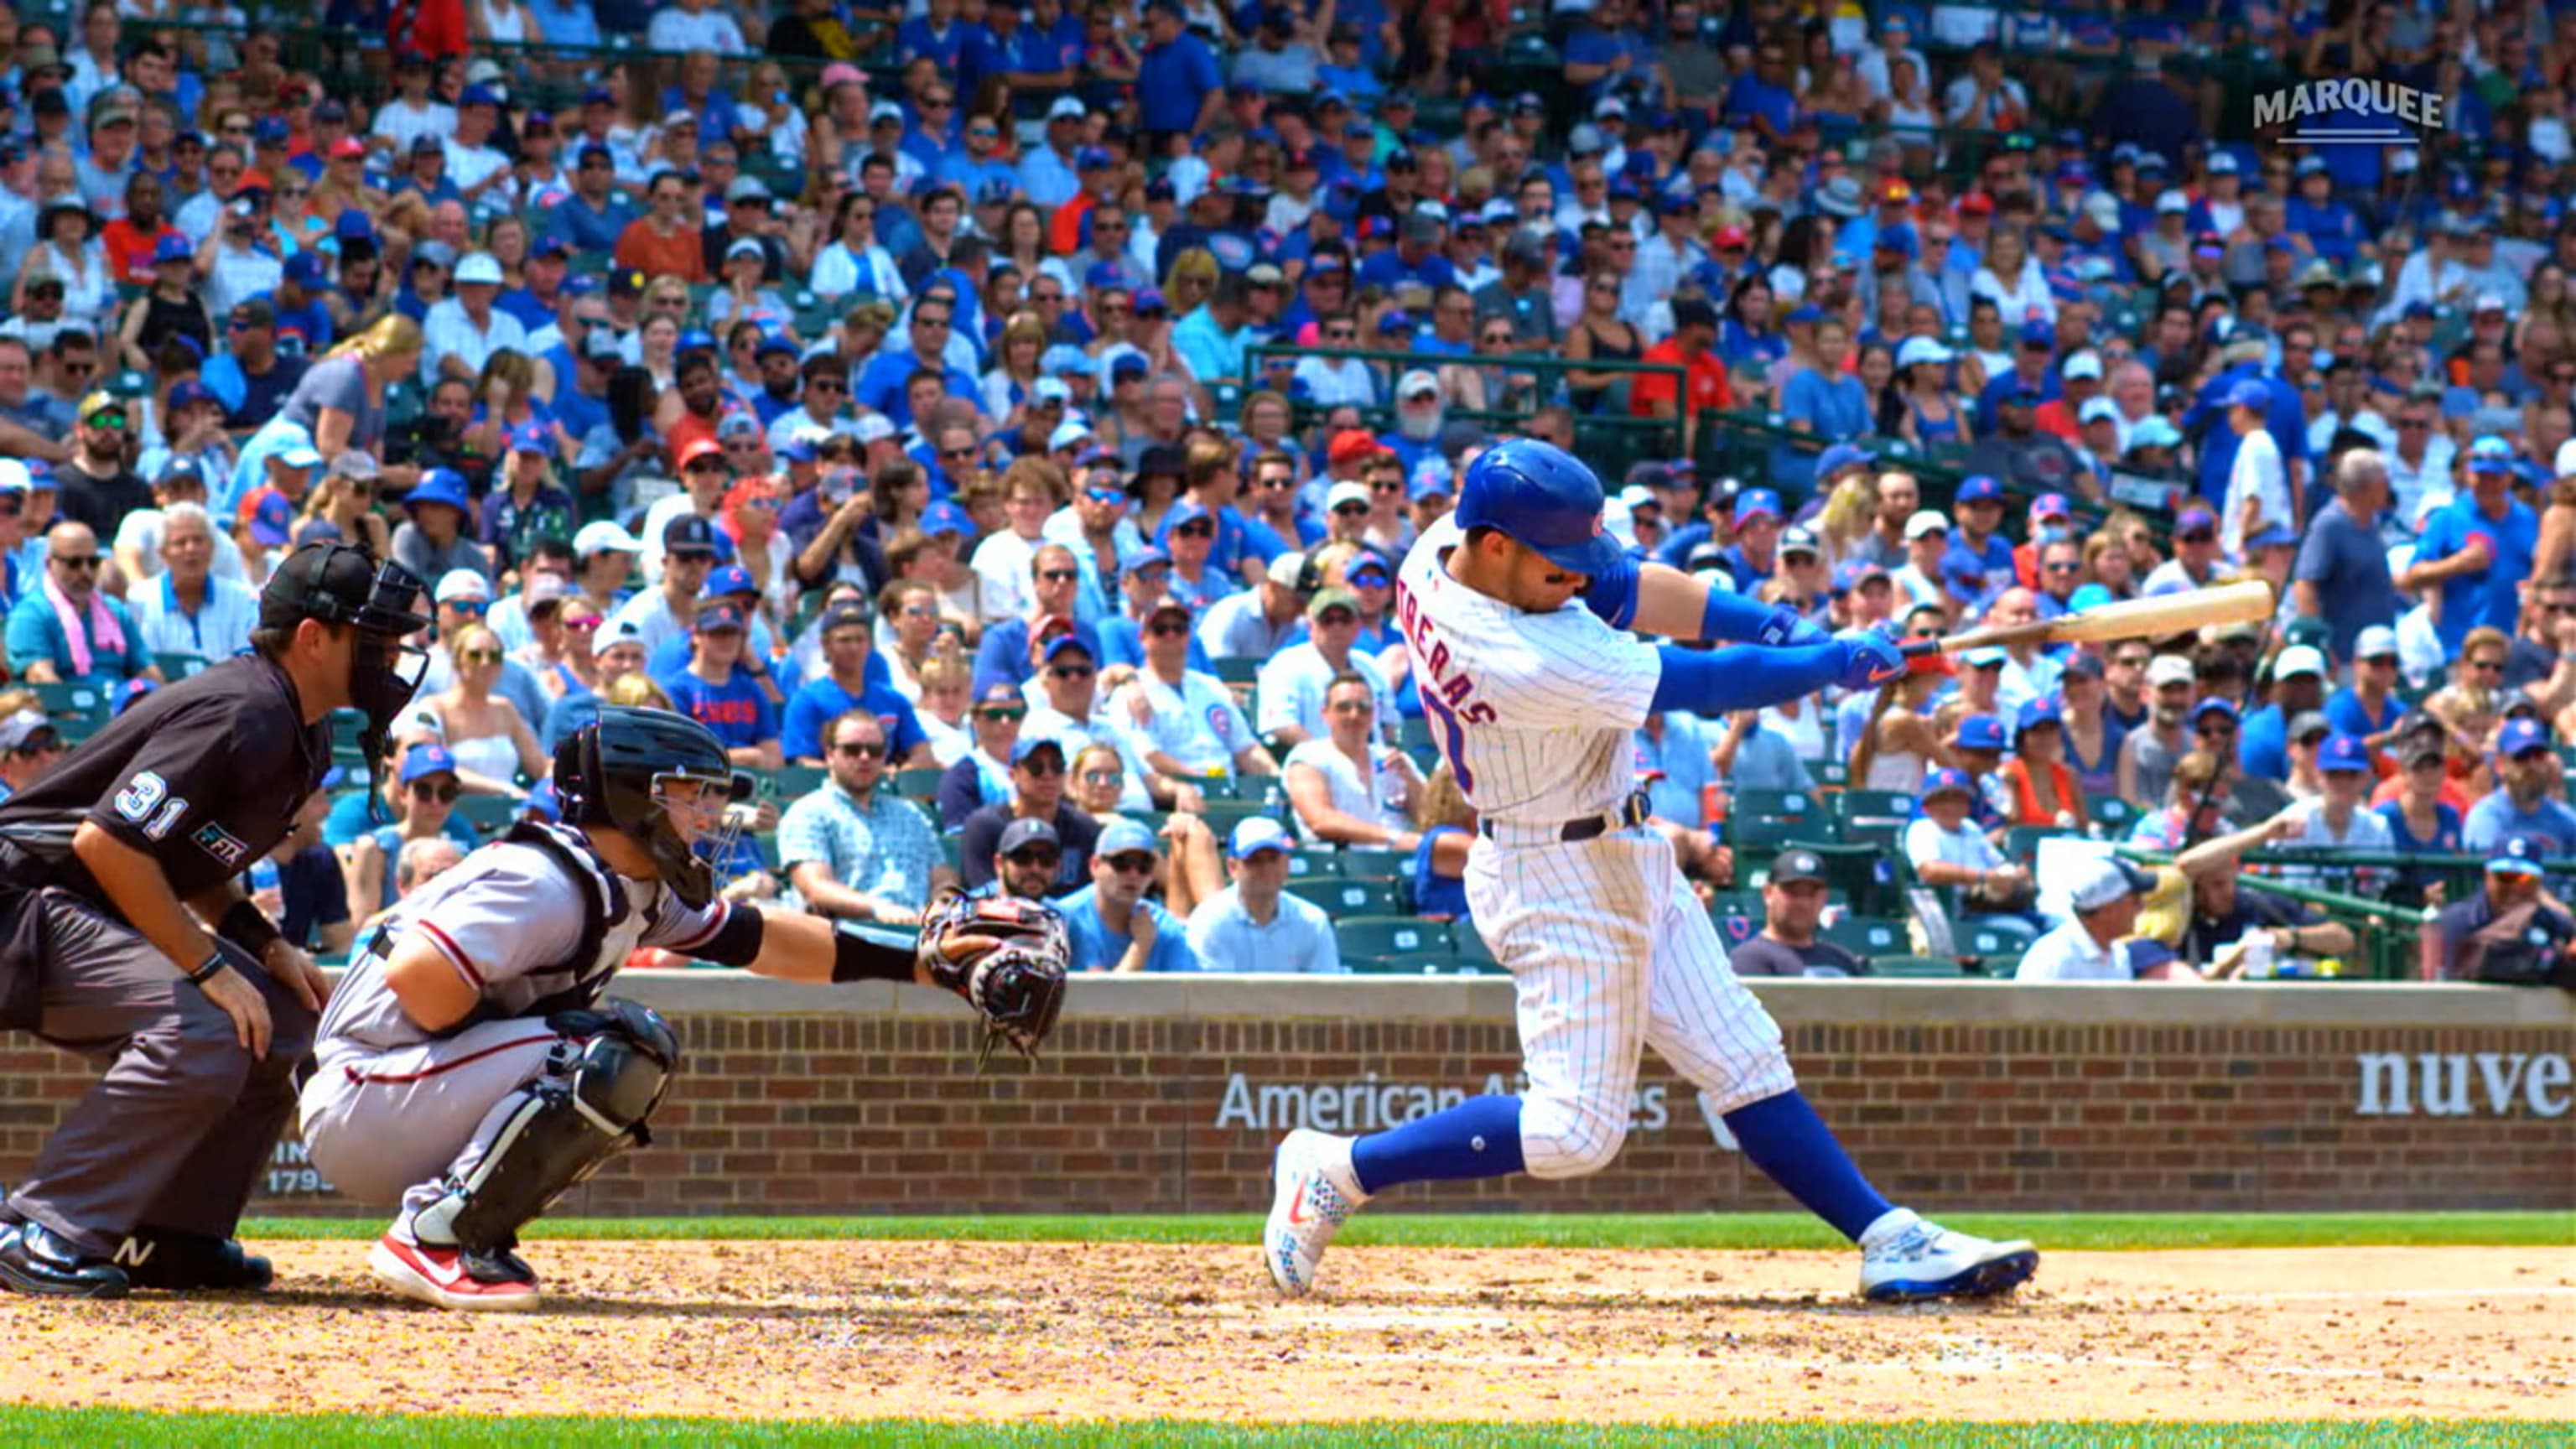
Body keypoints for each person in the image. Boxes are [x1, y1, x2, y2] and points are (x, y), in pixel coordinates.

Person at [1261, 439, 2033, 1306]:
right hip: (1551, 877)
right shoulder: (1523, 655)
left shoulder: (1448, 544)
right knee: (1574, 1133)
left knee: (1745, 1056)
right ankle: (1336, 1167)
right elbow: (1703, 681)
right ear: (1497, 547)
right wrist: (1829, 663)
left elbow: (1635, 586)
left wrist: (1785, 624)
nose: (1580, 581)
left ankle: (1887, 1238)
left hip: (1619, 847)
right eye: (1562, 568)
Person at [298, 707, 1065, 1310]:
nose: (708, 813)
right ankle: (432, 1237)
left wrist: (928, 967)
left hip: (401, 1091)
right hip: (368, 1092)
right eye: (692, 794)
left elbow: (758, 939)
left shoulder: (624, 882)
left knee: (611, 1046)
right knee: (603, 1048)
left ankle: (462, 1233)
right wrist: (536, 1033)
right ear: (635, 797)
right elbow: (419, 978)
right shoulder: (544, 880)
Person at [0, 543, 428, 1298]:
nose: (391, 655)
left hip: (83, 906)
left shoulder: (305, 725)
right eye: (376, 636)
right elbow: (108, 842)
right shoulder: (243, 709)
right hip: (23, 904)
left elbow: (191, 856)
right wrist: (207, 965)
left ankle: (170, 1233)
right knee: (202, 1023)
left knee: (284, 1023)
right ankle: (46, 1227)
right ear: (314, 638)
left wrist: (262, 943)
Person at [776, 709, 954, 927]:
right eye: (852, 750)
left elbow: (943, 877)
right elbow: (815, 887)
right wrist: (878, 908)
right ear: (830, 754)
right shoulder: (808, 813)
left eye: (875, 750)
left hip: (919, 934)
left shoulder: (911, 814)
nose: (864, 757)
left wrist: (941, 903)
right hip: (848, 937)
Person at [6, 522, 161, 686]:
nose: (85, 572)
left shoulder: (115, 611)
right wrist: (80, 712)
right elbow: (41, 679)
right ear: (50, 565)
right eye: (74, 563)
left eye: (93, 562)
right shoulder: (31, 614)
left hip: (122, 705)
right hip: (63, 708)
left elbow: (147, 670)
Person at [1282, 673, 1425, 849]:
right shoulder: (1308, 757)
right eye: (1344, 707)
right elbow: (1320, 820)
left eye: (1364, 707)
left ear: (1374, 713)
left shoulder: (1395, 760)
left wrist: (1410, 781)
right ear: (1325, 713)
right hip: (1341, 866)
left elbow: (1432, 820)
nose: (1354, 715)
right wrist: (1394, 838)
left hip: (1404, 866)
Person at [1187, 816, 1340, 974]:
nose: (1266, 869)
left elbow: (1326, 993)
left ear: (1287, 864)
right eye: (1254, 861)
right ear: (1233, 868)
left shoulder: (1313, 922)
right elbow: (1211, 994)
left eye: (1273, 859)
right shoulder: (1210, 921)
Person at [2423, 834, 2576, 985]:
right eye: (2505, 876)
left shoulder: (2555, 924)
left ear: (2539, 882)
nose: (2515, 886)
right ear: (2487, 875)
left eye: (2524, 878)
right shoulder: (2456, 921)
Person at [956, 737, 1098, 898]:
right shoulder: (984, 826)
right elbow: (981, 888)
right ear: (1013, 774)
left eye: (1057, 767)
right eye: (1036, 767)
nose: (1048, 775)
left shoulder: (1084, 828)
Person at [1059, 816, 1196, 974]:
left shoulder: (1164, 926)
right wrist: (1140, 947)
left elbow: (1186, 994)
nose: (1133, 874)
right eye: (1122, 863)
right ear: (1095, 866)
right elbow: (1097, 996)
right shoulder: (1066, 920)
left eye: (1144, 866)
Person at [2014, 855, 2161, 982]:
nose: (2141, 908)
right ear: (2108, 907)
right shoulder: (2053, 958)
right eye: (2135, 901)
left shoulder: (2119, 954)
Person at [1726, 849, 1868, 979]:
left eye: (1810, 894)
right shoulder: (1749, 959)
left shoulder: (1843, 960)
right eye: (1793, 892)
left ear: (1824, 898)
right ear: (1768, 894)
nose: (1803, 903)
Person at [2463, 719, 2576, 854]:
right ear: (2500, 765)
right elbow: (2491, 874)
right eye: (2522, 756)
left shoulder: (2564, 817)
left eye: (2539, 756)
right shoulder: (2487, 816)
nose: (2532, 765)